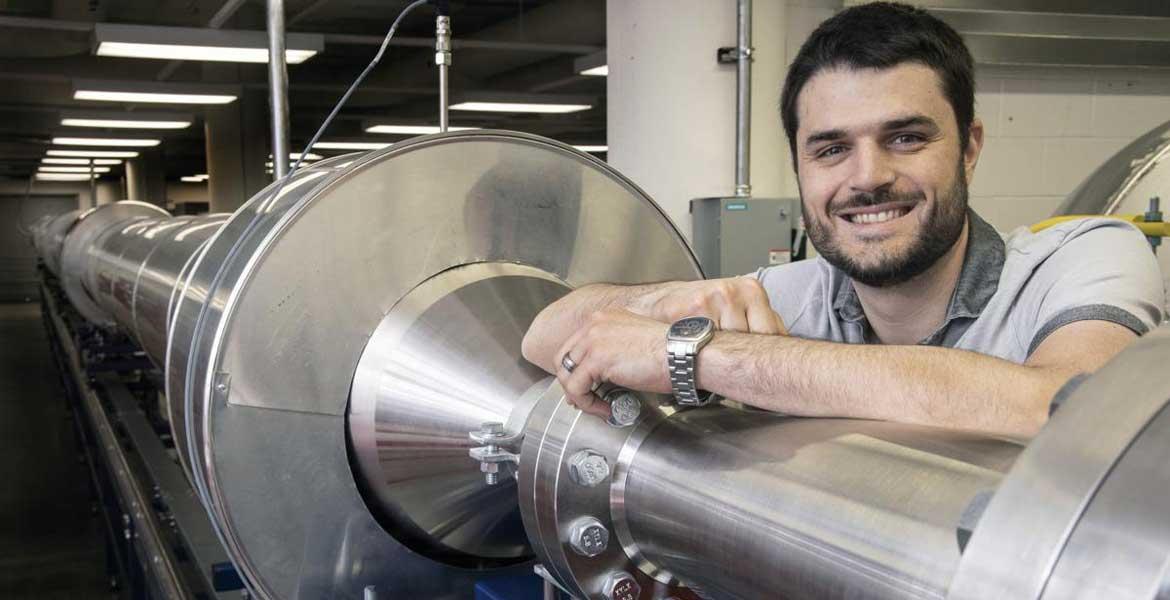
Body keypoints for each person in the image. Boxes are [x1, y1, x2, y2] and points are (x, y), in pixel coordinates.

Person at [520, 2, 1165, 438]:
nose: (866, 177)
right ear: (799, 169)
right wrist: (672, 303)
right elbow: (545, 335)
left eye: (907, 138)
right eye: (831, 149)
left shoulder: (1084, 258)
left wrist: (706, 357)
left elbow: (1064, 409)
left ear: (969, 146)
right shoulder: (793, 298)